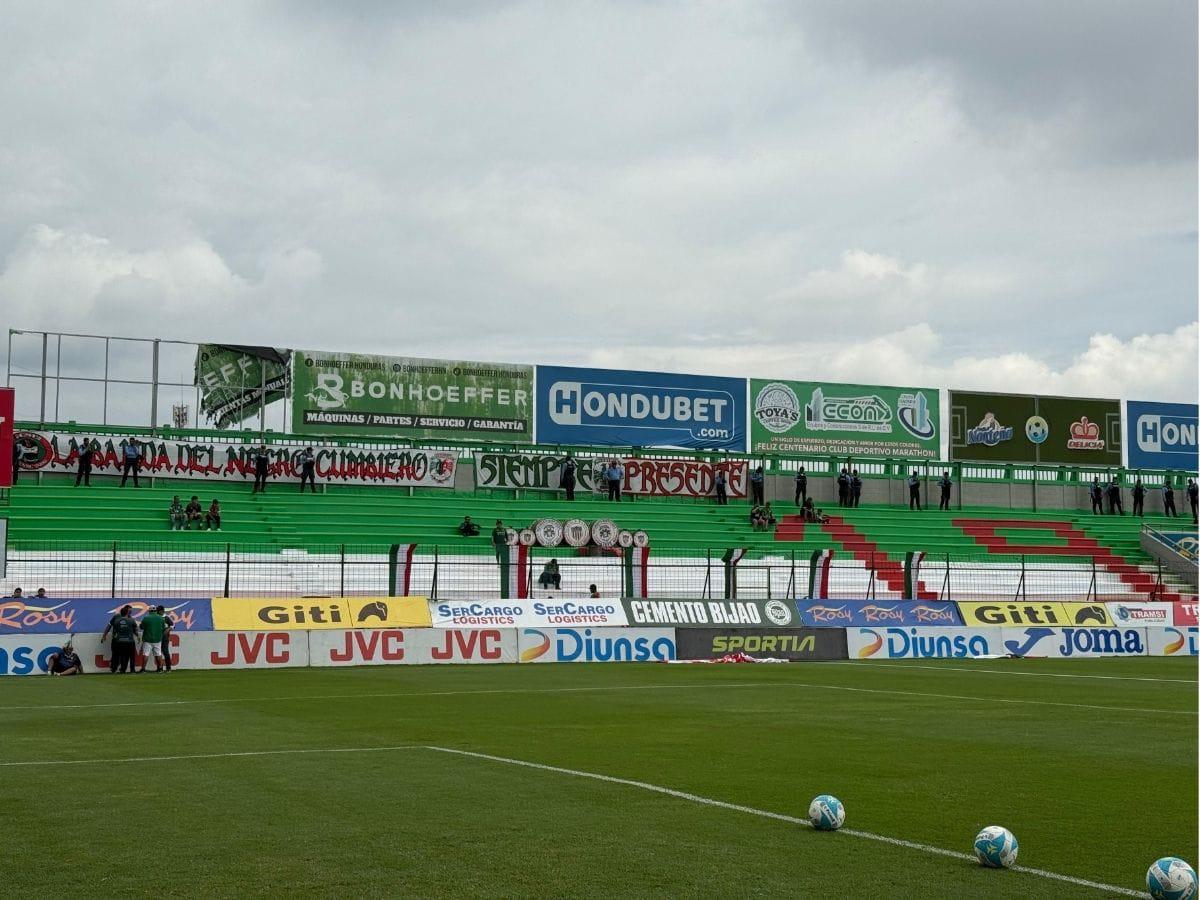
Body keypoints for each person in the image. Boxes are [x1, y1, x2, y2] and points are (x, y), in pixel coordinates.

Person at [101, 605, 139, 674]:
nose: (131, 612)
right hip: (123, 641)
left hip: (118, 640)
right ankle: (116, 668)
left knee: (120, 655)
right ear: (126, 611)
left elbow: (112, 626)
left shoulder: (119, 620)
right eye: (129, 610)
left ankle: (121, 669)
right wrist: (104, 635)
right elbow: (135, 629)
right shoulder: (128, 619)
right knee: (119, 655)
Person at [138, 605, 167, 673]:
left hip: (147, 639)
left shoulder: (146, 618)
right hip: (158, 639)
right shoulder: (161, 618)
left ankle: (143, 669)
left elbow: (141, 627)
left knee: (146, 654)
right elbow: (163, 628)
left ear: (149, 610)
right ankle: (160, 669)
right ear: (155, 611)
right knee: (158, 654)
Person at [158, 605, 175, 673]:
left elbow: (173, 625)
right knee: (158, 653)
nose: (158, 612)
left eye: (158, 611)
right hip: (157, 637)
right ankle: (160, 668)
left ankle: (168, 668)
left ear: (162, 611)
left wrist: (168, 630)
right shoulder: (157, 617)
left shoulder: (166, 617)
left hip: (164, 637)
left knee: (165, 652)